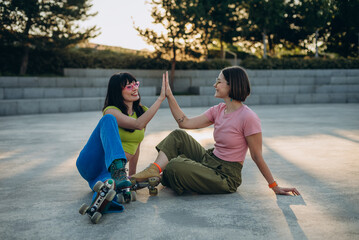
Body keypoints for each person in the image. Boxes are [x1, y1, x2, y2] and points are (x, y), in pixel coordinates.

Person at [131, 66, 300, 196]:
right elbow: (185, 123)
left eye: (219, 81)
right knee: (178, 136)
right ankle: (154, 171)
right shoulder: (218, 109)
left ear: (231, 85)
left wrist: (274, 186)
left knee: (174, 165)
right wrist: (168, 95)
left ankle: (163, 176)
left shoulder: (249, 117)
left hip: (225, 176)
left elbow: (256, 156)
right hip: (209, 159)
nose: (215, 85)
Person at [76, 72, 165, 192]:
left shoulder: (142, 112)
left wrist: (132, 176)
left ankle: (106, 194)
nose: (135, 89)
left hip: (109, 173)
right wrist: (160, 99)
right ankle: (117, 172)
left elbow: (136, 145)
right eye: (129, 86)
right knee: (108, 120)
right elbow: (137, 124)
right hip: (92, 162)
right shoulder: (111, 111)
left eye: (135, 84)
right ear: (118, 92)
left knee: (109, 188)